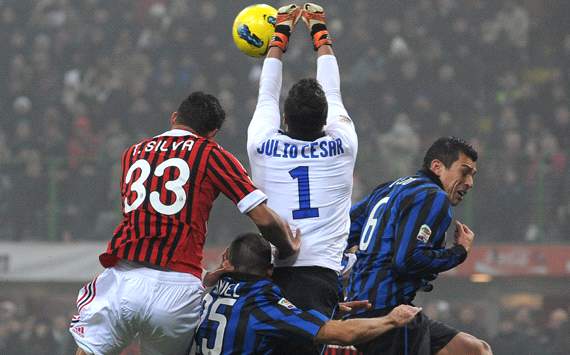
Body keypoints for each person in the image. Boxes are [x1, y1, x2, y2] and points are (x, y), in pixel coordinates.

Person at [69, 92, 300, 355]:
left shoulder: (132, 153)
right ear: (212, 133)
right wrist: (288, 245)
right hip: (177, 289)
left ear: (174, 117)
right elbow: (262, 217)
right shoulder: (211, 154)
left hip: (123, 279)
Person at [246, 4, 357, 353]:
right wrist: (318, 30)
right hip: (320, 277)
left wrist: (280, 35)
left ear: (284, 117)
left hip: (268, 274)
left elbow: (266, 92)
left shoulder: (262, 144)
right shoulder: (343, 144)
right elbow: (333, 91)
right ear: (326, 121)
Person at [345, 137, 492, 354]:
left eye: (472, 175)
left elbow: (343, 232)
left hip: (361, 308)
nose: (469, 182)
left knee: (476, 350)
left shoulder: (387, 189)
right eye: (464, 171)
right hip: (389, 313)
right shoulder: (434, 196)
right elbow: (407, 260)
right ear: (437, 167)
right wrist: (457, 252)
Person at [195, 232, 422, 355]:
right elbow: (342, 334)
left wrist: (334, 309)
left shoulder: (206, 296)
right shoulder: (263, 307)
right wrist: (391, 319)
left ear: (228, 262)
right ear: (270, 271)